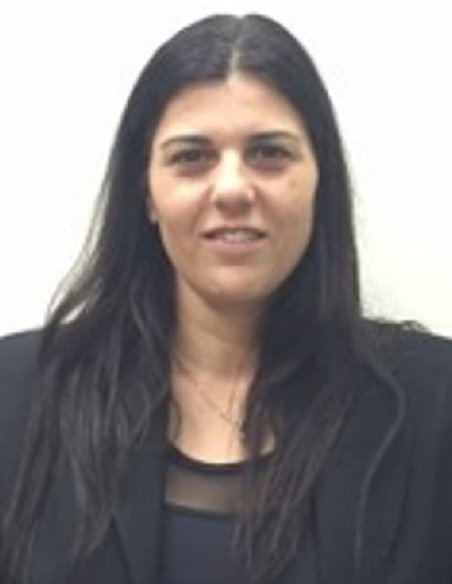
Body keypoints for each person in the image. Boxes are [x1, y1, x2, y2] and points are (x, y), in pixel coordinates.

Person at [1, 12, 451, 584]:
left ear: (320, 181)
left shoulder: (435, 408)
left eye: (269, 153)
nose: (233, 188)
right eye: (192, 157)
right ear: (148, 193)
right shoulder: (18, 395)